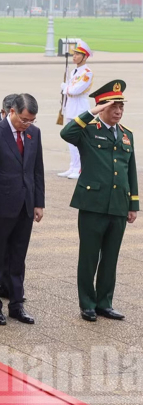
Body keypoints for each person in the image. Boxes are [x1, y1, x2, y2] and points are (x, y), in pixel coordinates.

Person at [60, 80, 138, 322]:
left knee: (111, 257)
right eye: (113, 107)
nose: (118, 112)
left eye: (121, 108)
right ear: (101, 107)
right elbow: (66, 133)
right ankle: (88, 304)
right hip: (93, 204)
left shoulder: (126, 135)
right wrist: (90, 112)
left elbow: (130, 171)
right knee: (89, 256)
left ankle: (105, 303)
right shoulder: (87, 130)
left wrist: (133, 204)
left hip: (118, 204)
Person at [0, 93, 44, 326]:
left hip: (24, 205)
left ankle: (16, 304)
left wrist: (38, 202)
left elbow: (37, 169)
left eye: (31, 121)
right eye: (24, 119)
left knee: (18, 258)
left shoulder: (34, 133)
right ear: (11, 112)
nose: (27, 124)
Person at [60, 40, 93, 179]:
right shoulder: (74, 71)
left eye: (78, 54)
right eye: (74, 54)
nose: (74, 57)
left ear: (85, 57)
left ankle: (79, 168)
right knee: (70, 139)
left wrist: (64, 88)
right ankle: (73, 166)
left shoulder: (87, 72)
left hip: (80, 109)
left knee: (78, 140)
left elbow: (75, 90)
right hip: (71, 108)